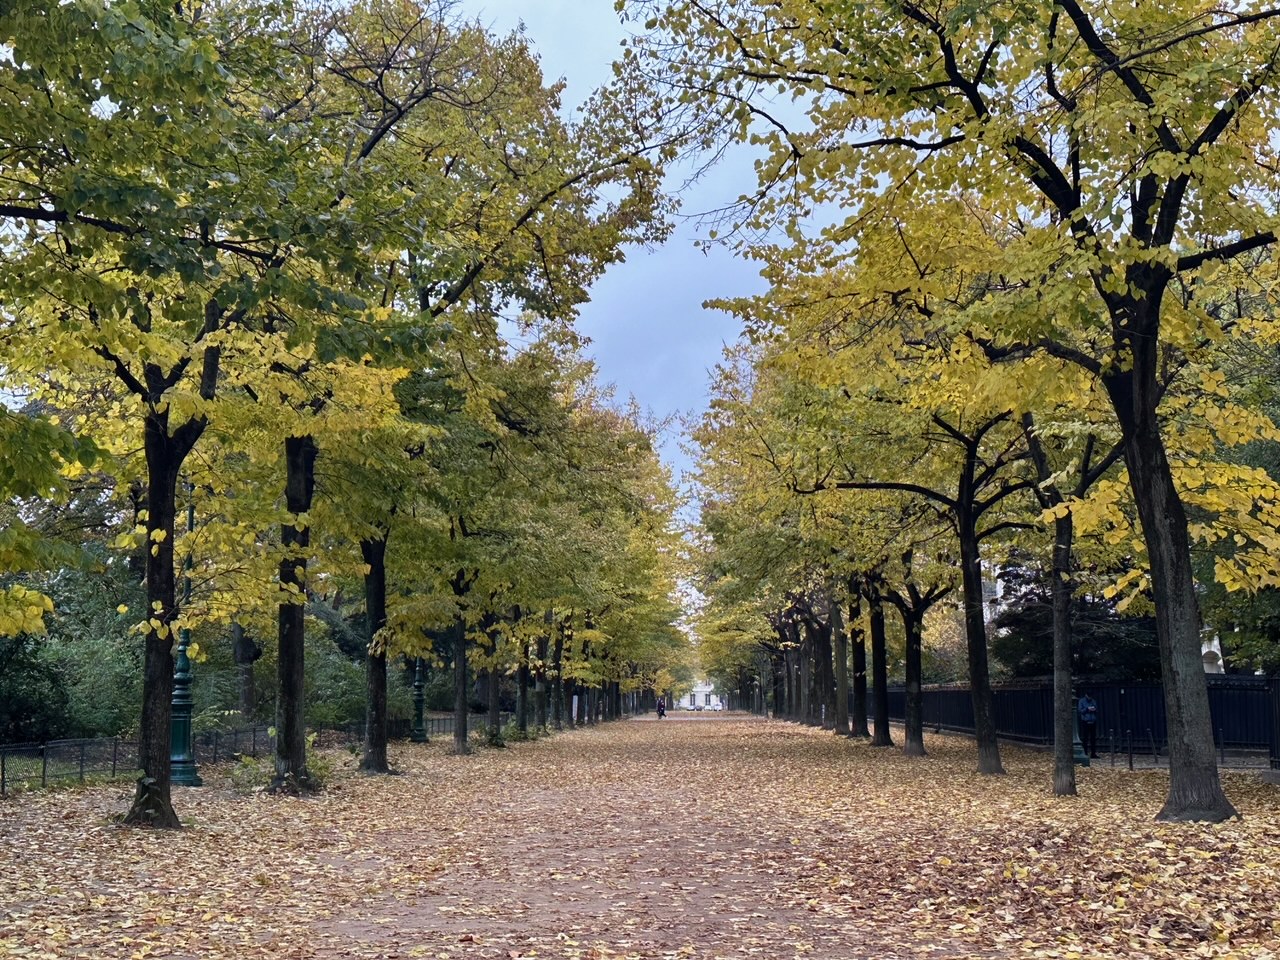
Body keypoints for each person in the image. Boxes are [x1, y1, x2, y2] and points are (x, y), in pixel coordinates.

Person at [1077, 691, 1099, 758]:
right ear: (1086, 695)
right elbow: (1080, 711)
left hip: (1093, 721)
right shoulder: (1082, 701)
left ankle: (1093, 753)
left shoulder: (1093, 701)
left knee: (1093, 738)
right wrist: (1087, 709)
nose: (1090, 698)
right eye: (1089, 696)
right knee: (1085, 738)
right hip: (1085, 721)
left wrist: (1094, 709)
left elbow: (1096, 709)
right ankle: (1085, 753)